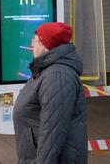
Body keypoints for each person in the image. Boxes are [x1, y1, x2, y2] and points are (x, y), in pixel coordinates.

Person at [13, 22, 87, 164]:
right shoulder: (46, 70)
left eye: (35, 40)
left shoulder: (58, 76)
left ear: (46, 46)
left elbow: (53, 132)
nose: (32, 44)